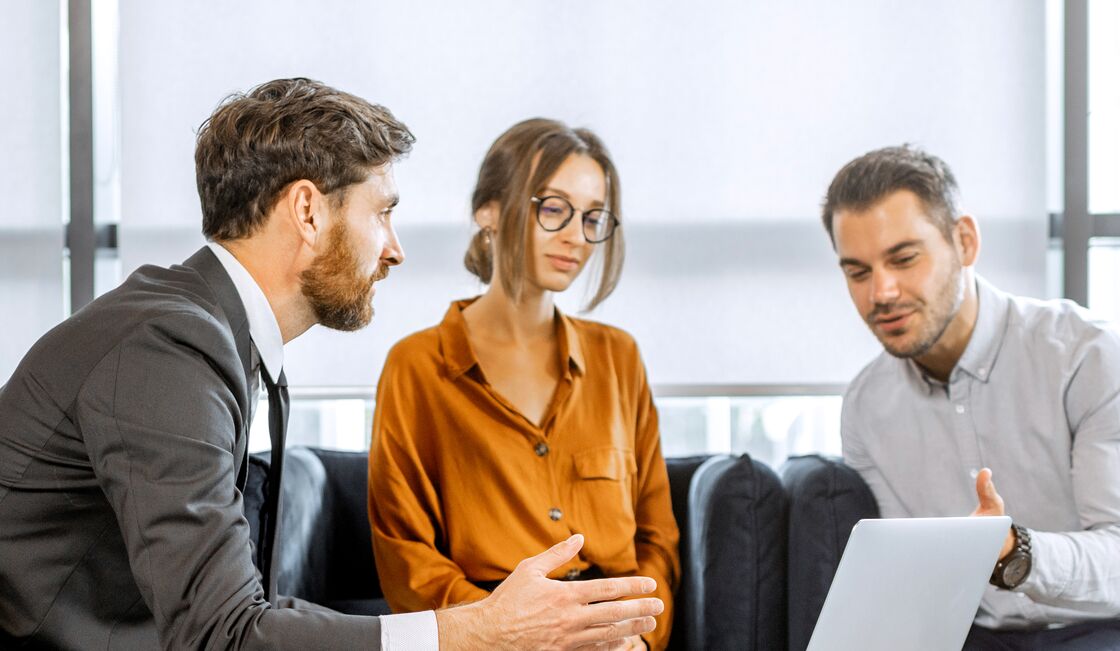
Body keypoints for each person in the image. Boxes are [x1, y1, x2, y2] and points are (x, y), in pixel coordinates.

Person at [0, 78, 663, 650]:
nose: (396, 250)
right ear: (309, 211)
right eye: (383, 213)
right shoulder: (168, 346)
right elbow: (224, 632)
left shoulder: (209, 335)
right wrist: (480, 628)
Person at [368, 118, 680, 650]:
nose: (576, 237)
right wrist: (505, 634)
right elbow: (406, 557)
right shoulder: (417, 366)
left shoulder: (619, 357)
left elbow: (658, 537)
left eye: (592, 217)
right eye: (554, 208)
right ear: (488, 211)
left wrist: (638, 636)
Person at [822, 145, 1120, 649]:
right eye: (857, 272)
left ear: (965, 241)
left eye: (904, 259)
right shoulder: (867, 406)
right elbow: (912, 584)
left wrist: (1015, 552)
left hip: (1105, 628)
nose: (880, 292)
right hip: (973, 637)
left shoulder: (1089, 356)